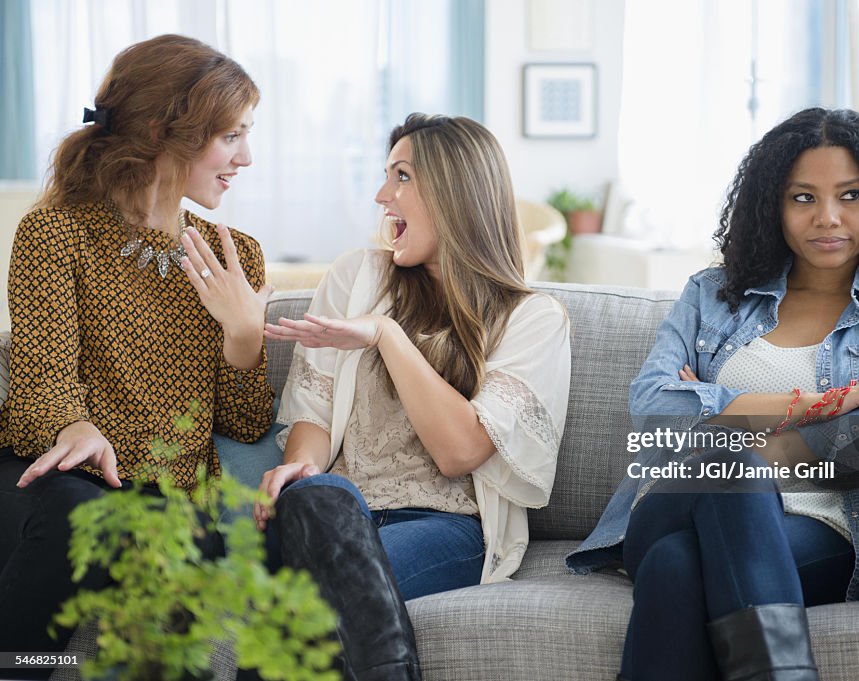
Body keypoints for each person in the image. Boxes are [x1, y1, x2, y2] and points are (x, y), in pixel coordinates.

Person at [566, 108, 859, 681]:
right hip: (672, 501)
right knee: (724, 465)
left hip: (826, 529)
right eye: (804, 198)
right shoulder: (712, 295)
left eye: (851, 195)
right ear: (771, 204)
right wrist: (825, 405)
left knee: (678, 566)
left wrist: (727, 422)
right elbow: (651, 404)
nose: (828, 218)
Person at [256, 113, 571, 681]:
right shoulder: (356, 276)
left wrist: (387, 335)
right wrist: (297, 470)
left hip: (442, 524)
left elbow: (459, 452)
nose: (382, 196)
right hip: (331, 512)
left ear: (456, 192)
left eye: (401, 176)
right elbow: (314, 412)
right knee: (318, 496)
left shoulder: (533, 319)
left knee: (305, 607)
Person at [0, 34, 273, 668]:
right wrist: (77, 426)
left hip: (167, 499)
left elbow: (245, 423)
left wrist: (244, 333)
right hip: (51, 479)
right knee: (77, 512)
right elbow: (42, 380)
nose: (247, 157)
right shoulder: (55, 231)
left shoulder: (238, 256)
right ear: (161, 131)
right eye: (231, 137)